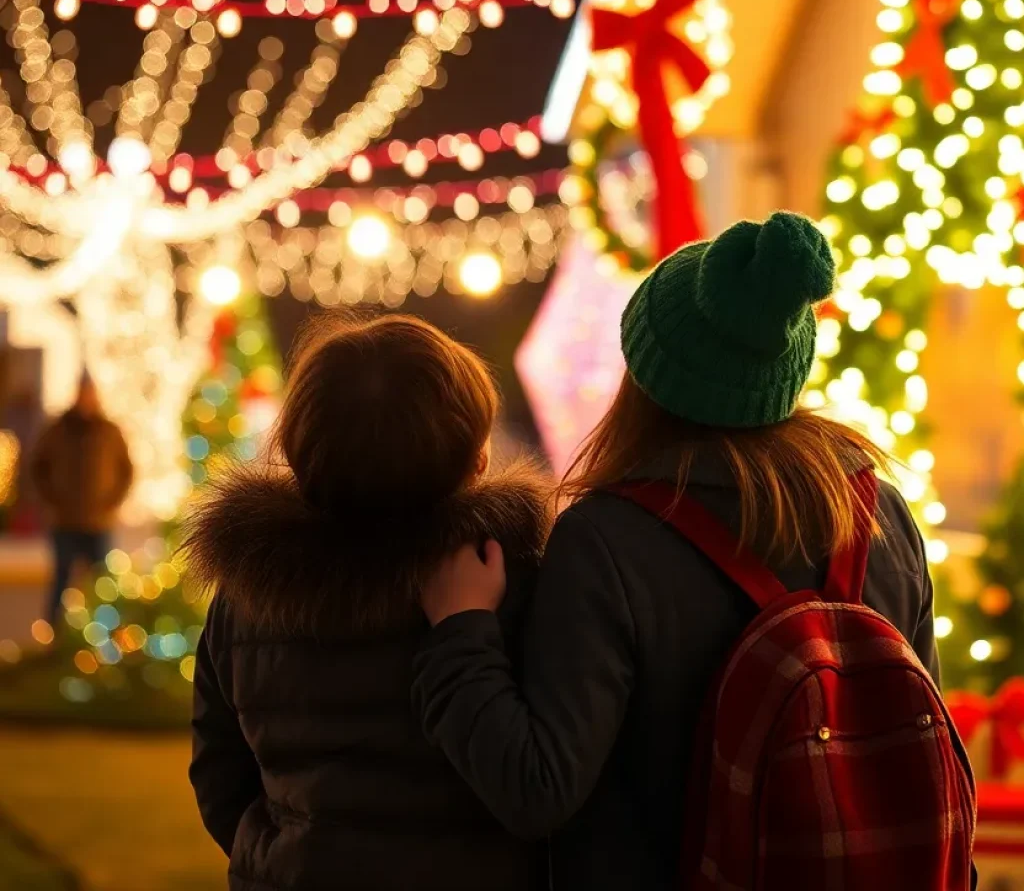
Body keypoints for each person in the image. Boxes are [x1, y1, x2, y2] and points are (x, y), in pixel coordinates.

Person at [414, 213, 971, 889]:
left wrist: (460, 630)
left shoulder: (607, 541)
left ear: (645, 371)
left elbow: (536, 788)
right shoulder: (877, 512)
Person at [182, 313, 551, 891]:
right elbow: (546, 780)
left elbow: (218, 772)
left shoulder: (252, 590)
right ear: (475, 456)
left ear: (300, 449)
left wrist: (278, 857)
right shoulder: (511, 579)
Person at [32, 373, 133, 625]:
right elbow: (38, 467)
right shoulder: (57, 429)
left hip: (99, 522)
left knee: (103, 583)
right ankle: (54, 635)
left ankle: (104, 634)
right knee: (61, 579)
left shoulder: (109, 431)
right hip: (65, 521)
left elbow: (126, 470)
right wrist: (52, 501)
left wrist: (111, 503)